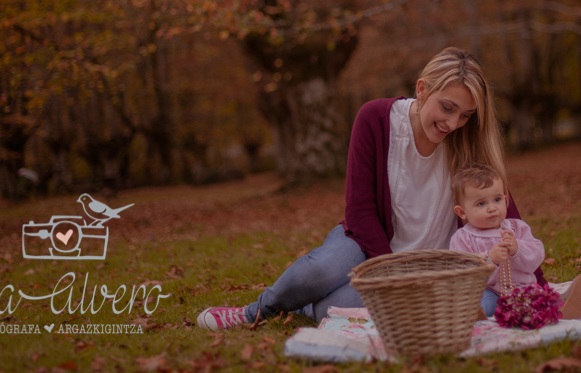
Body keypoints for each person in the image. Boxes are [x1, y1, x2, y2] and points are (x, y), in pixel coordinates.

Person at [197, 47, 546, 329]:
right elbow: (360, 212)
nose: (454, 123)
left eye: (466, 115)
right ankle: (254, 312)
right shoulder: (377, 120)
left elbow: (502, 213)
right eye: (448, 107)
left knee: (479, 303)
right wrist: (392, 277)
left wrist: (541, 289)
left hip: (433, 265)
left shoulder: (468, 143)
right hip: (366, 246)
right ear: (422, 89)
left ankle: (309, 307)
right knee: (323, 269)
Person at [448, 164, 581, 320]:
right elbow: (462, 273)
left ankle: (561, 306)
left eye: (497, 199)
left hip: (523, 289)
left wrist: (518, 249)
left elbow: (536, 254)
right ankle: (478, 315)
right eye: (481, 203)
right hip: (489, 292)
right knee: (487, 304)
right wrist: (488, 260)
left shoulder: (516, 228)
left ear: (505, 200)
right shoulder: (462, 238)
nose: (492, 208)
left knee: (540, 299)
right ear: (462, 212)